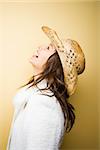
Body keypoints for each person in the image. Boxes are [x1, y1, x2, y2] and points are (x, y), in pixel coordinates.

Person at [7, 26, 85, 150]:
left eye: (48, 48)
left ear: (55, 64)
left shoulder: (46, 105)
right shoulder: (35, 94)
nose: (40, 47)